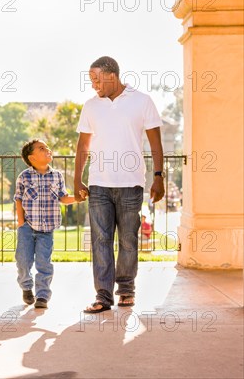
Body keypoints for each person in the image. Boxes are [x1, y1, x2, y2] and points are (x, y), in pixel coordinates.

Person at [73, 56, 165, 313]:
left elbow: (155, 143)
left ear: (111, 75)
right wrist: (77, 177)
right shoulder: (91, 106)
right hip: (99, 183)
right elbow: (83, 145)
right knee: (100, 239)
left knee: (127, 240)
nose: (93, 85)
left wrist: (159, 176)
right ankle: (103, 296)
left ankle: (126, 289)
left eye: (96, 79)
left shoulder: (142, 101)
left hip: (131, 183)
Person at [14, 139, 79, 309]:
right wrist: (21, 222)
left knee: (44, 263)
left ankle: (42, 296)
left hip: (47, 229)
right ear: (32, 158)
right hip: (27, 227)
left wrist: (78, 198)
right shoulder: (24, 176)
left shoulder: (57, 176)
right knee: (23, 261)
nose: (47, 150)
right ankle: (26, 286)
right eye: (42, 148)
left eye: (47, 147)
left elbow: (63, 197)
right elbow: (18, 199)